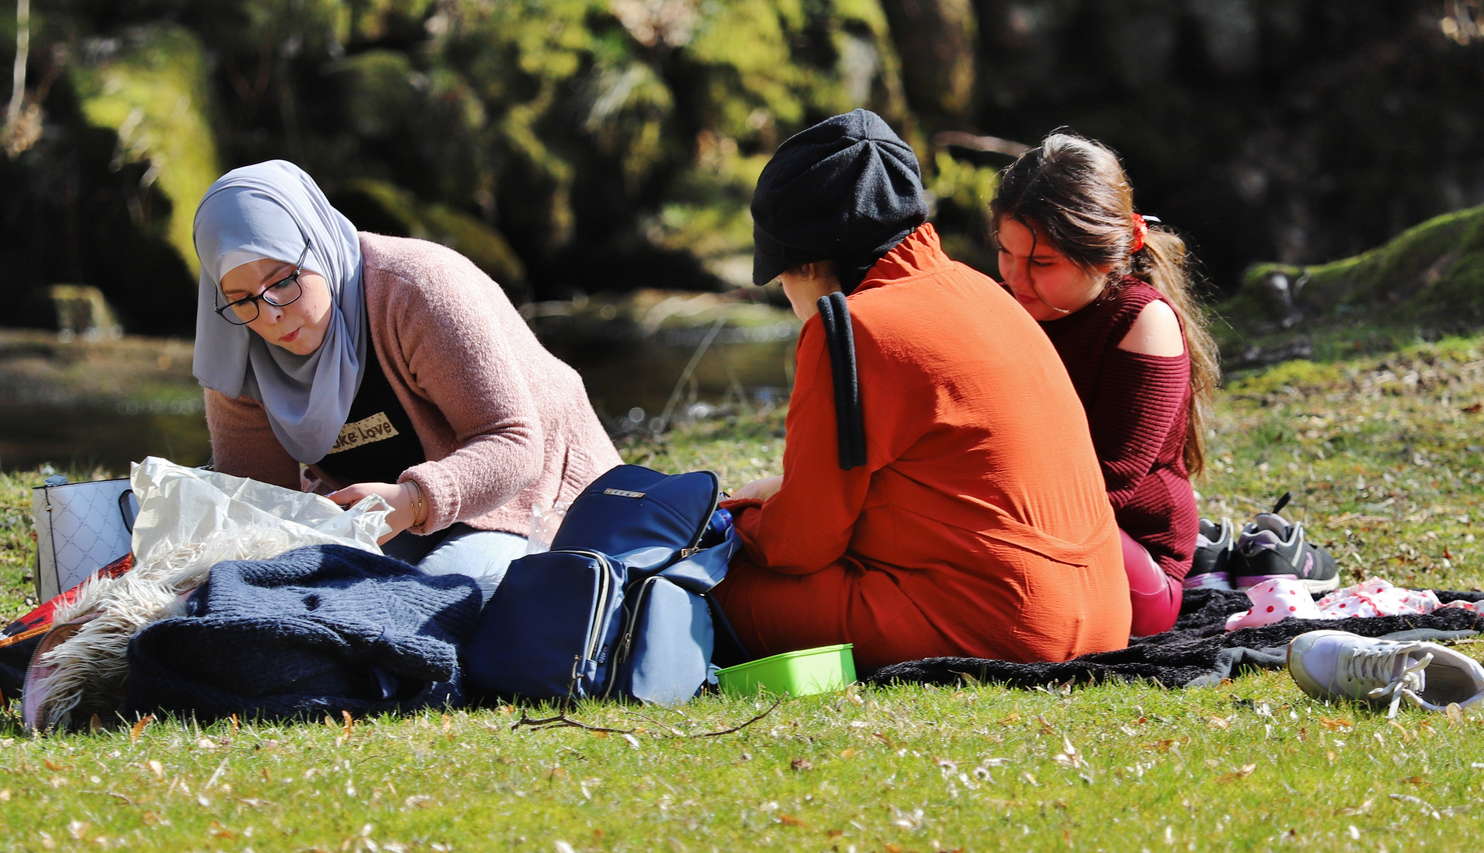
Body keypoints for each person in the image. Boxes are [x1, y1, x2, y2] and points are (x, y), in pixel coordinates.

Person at [711, 110, 1132, 670]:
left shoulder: (847, 328)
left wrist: (738, 512)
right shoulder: (983, 291)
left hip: (1006, 629)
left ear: (806, 262)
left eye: (781, 277)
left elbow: (798, 545)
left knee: (709, 583)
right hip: (1105, 614)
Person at [191, 160, 623, 600]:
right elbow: (261, 508)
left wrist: (414, 499)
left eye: (281, 281)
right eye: (241, 299)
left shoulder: (416, 290)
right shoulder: (238, 354)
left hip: (531, 497)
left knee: (431, 597)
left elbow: (514, 444)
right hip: (388, 519)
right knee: (313, 595)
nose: (271, 314)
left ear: (315, 244)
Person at [988, 130, 1220, 637]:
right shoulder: (1005, 308)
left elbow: (1104, 488)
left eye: (1042, 263)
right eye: (1007, 253)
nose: (1017, 278)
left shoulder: (1142, 323)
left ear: (1106, 253)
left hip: (1130, 566)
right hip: (1030, 526)